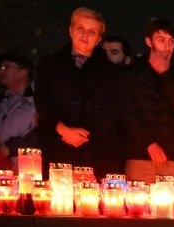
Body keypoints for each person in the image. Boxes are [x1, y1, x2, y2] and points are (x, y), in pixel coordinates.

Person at [34, 6, 124, 178]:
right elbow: (42, 100)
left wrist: (84, 135)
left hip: (97, 149)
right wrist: (62, 129)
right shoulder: (50, 64)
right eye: (80, 28)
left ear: (98, 39)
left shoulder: (111, 72)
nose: (85, 35)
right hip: (56, 145)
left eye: (92, 31)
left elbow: (113, 108)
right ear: (70, 31)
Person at [121, 17, 174, 182]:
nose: (167, 47)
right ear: (149, 41)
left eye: (171, 41)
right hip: (140, 157)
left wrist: (166, 75)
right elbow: (127, 113)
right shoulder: (132, 72)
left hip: (173, 158)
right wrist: (148, 143)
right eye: (161, 40)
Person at [0, 50, 37, 172]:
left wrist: (4, 150)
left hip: (26, 172)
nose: (0, 71)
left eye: (5, 67)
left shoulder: (38, 101)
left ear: (24, 72)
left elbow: (39, 134)